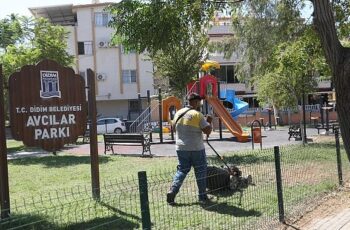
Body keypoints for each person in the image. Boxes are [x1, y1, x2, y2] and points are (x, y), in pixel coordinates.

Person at [167, 93, 212, 205]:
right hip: (196, 148)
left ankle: (173, 190)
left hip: (181, 148)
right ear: (196, 102)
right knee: (201, 171)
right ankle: (202, 196)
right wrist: (209, 121)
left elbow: (173, 129)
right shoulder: (197, 115)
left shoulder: (178, 113)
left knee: (182, 170)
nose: (200, 104)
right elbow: (207, 131)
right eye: (199, 102)